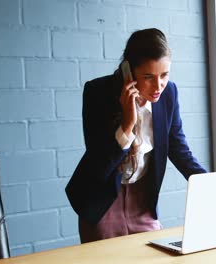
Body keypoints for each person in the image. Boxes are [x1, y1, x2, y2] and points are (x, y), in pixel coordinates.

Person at [65, 28, 207, 243]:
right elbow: (98, 165)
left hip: (143, 203)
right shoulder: (97, 92)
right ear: (128, 72)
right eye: (148, 76)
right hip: (103, 201)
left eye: (164, 75)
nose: (158, 86)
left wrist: (210, 185)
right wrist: (128, 123)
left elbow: (178, 149)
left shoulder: (169, 93)